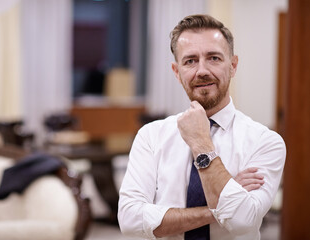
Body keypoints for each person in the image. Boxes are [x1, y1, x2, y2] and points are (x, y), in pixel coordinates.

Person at [118, 14, 286, 240]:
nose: (202, 70)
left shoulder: (265, 142)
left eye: (214, 58)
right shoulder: (150, 136)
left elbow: (242, 222)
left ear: (233, 65)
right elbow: (130, 221)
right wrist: (218, 207)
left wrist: (201, 143)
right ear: (177, 72)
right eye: (190, 61)